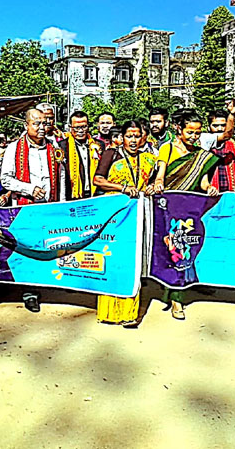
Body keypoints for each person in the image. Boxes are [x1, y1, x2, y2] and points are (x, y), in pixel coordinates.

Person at [152, 110, 221, 320]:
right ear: (178, 130)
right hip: (168, 209)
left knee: (188, 250)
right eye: (190, 132)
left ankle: (182, 287)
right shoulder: (167, 148)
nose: (194, 136)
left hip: (191, 211)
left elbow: (203, 182)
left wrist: (209, 188)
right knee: (174, 251)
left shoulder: (201, 155)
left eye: (197, 133)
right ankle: (176, 298)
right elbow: (161, 174)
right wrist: (159, 183)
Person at [93, 121, 157, 327]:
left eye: (137, 136)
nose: (133, 140)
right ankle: (109, 312)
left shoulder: (148, 159)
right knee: (111, 259)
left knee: (132, 260)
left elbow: (154, 181)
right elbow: (98, 180)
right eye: (129, 136)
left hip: (137, 213)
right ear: (121, 137)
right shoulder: (111, 154)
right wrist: (121, 188)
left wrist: (152, 186)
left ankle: (129, 313)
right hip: (114, 214)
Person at [0, 108, 61, 312]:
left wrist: (61, 203)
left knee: (47, 245)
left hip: (49, 206)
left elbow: (60, 177)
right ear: (26, 125)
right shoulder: (14, 148)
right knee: (27, 248)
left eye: (45, 123)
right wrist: (29, 189)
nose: (42, 127)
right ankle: (30, 293)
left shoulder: (53, 147)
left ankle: (44, 283)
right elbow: (5, 179)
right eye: (37, 123)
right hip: (24, 208)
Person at [57, 111, 105, 200]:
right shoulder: (62, 147)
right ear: (70, 127)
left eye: (84, 127)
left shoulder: (99, 145)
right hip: (72, 195)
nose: (81, 130)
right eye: (77, 128)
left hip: (96, 194)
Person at [207, 108, 235, 192]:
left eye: (223, 125)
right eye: (215, 126)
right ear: (209, 127)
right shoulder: (204, 146)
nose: (220, 129)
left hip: (232, 194)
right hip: (209, 193)